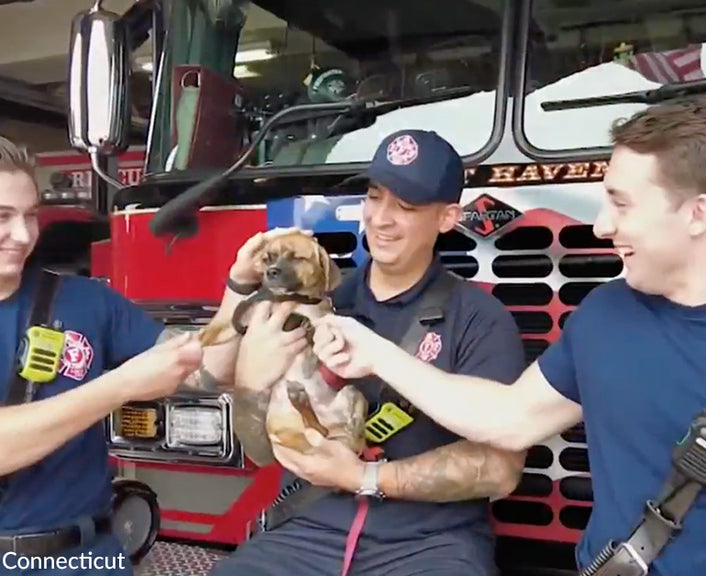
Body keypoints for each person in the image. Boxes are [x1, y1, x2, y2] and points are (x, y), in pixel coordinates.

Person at [311, 97, 706, 576]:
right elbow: (506, 419)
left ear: (697, 214)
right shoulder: (605, 314)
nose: (602, 227)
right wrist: (377, 352)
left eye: (621, 205)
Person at [0, 131, 282, 575]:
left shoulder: (89, 301)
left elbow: (205, 370)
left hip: (92, 554)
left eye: (30, 215)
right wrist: (121, 385)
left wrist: (238, 289)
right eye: (1, 216)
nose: (23, 235)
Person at [209, 129, 529, 576]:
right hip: (307, 529)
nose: (381, 219)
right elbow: (221, 392)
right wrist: (248, 378)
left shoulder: (479, 320)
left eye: (406, 206)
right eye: (375, 198)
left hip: (430, 543)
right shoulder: (312, 301)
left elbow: (500, 469)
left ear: (447, 217)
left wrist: (364, 478)